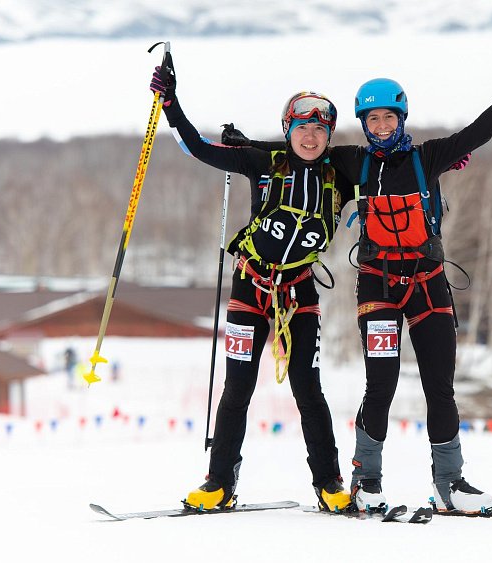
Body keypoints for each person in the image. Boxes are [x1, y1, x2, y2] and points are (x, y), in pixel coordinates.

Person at [329, 52, 492, 513]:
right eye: (372, 119)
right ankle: (366, 480)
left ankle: (450, 484)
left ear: (401, 117)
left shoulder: (428, 157)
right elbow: (300, 149)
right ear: (363, 123)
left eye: (389, 117)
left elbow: (478, 133)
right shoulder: (351, 162)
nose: (381, 126)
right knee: (380, 384)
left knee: (440, 385)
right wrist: (245, 145)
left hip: (428, 284)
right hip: (378, 288)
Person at [149, 57, 352, 512]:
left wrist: (434, 175)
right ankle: (219, 482)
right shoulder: (262, 163)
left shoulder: (342, 171)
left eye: (320, 129)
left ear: (329, 135)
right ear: (288, 129)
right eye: (302, 127)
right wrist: (170, 102)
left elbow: (392, 171)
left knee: (307, 388)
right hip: (251, 287)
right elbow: (197, 147)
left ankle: (329, 483)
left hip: (299, 291)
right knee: (237, 388)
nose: (311, 136)